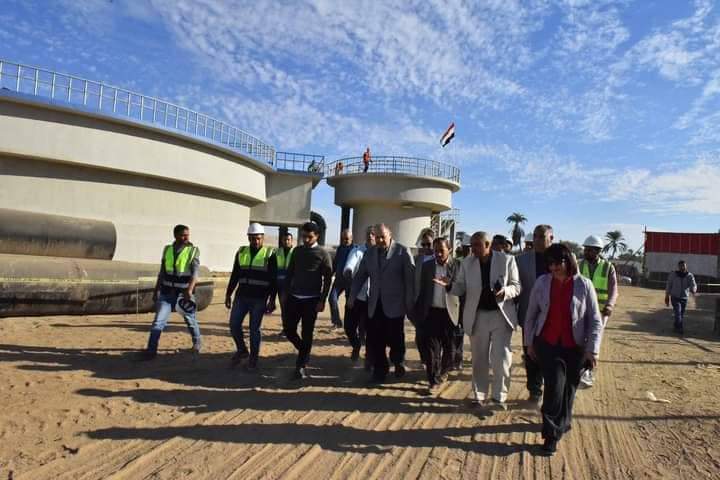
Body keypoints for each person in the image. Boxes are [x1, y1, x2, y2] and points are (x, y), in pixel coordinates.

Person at [524, 243, 604, 455]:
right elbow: (531, 315)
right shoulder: (542, 283)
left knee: (569, 390)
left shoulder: (584, 285)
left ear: (567, 261)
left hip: (575, 347)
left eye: (557, 263)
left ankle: (563, 421)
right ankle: (551, 436)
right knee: (554, 387)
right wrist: (529, 343)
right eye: (549, 264)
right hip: (548, 344)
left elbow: (595, 320)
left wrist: (592, 350)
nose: (553, 268)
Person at [443, 232, 521, 408]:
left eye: (477, 245)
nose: (473, 249)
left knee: (501, 359)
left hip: (501, 316)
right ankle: (479, 396)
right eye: (472, 245)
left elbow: (517, 287)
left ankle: (499, 397)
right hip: (477, 316)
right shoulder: (467, 263)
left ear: (488, 245)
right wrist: (449, 286)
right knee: (479, 359)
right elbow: (461, 287)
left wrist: (505, 292)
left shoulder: (507, 260)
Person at [349, 223, 415, 383]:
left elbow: (410, 281)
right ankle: (380, 370)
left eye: (382, 237)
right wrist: (352, 296)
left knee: (396, 338)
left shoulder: (402, 251)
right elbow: (360, 276)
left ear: (390, 235)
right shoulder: (370, 253)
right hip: (374, 304)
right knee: (375, 338)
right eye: (377, 237)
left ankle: (398, 361)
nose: (379, 240)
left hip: (395, 304)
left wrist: (409, 303)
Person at [141, 224, 201, 360]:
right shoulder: (167, 250)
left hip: (183, 294)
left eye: (187, 235)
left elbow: (195, 274)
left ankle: (197, 344)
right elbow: (162, 272)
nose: (186, 238)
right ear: (175, 235)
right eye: (183, 235)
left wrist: (189, 290)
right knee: (158, 322)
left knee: (190, 320)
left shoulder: (193, 251)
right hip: (167, 292)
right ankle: (151, 351)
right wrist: (156, 289)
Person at [284, 222, 333, 379]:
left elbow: (327, 279)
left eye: (309, 237)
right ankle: (304, 350)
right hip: (294, 297)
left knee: (307, 332)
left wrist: (322, 299)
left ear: (317, 236)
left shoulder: (323, 254)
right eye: (304, 236)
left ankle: (300, 366)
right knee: (288, 329)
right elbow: (290, 272)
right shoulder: (297, 251)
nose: (306, 239)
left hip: (311, 300)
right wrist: (285, 293)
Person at [225, 223, 277, 371]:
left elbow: (273, 280)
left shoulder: (270, 254)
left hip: (259, 298)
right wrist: (228, 294)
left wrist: (272, 299)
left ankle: (253, 357)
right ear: (248, 237)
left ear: (263, 238)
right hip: (241, 296)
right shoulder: (241, 252)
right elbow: (235, 275)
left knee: (255, 329)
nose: (255, 241)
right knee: (234, 325)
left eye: (258, 238)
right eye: (253, 238)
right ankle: (242, 350)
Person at [414, 237, 460, 394]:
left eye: (442, 250)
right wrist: (418, 312)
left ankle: (443, 371)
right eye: (436, 251)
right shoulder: (427, 266)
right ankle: (433, 379)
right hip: (432, 313)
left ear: (450, 250)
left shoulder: (458, 266)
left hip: (450, 313)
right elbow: (422, 290)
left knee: (450, 350)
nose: (438, 254)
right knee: (432, 349)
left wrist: (450, 285)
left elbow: (464, 290)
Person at [516, 224, 554, 405]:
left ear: (551, 238)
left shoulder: (560, 259)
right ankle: (534, 390)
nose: (537, 240)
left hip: (554, 317)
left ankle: (551, 389)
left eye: (542, 237)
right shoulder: (521, 260)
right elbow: (516, 285)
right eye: (536, 236)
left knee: (550, 354)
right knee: (530, 353)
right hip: (529, 315)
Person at [578, 235, 619, 388]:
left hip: (600, 311)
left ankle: (588, 372)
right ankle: (580, 368)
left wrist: (610, 305)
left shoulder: (608, 267)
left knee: (594, 340)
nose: (586, 252)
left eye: (589, 250)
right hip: (581, 310)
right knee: (580, 339)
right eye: (585, 249)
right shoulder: (578, 265)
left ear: (598, 251)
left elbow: (614, 290)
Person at [343, 226, 376, 364]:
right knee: (349, 327)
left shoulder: (381, 254)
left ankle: (369, 357)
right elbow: (350, 265)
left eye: (373, 234)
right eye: (368, 234)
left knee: (371, 330)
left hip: (373, 299)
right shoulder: (357, 251)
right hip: (356, 296)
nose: (370, 236)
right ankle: (356, 345)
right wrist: (348, 272)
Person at [328, 229, 355, 329]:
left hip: (350, 281)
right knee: (332, 298)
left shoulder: (355, 249)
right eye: (343, 238)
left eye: (346, 239)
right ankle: (337, 322)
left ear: (351, 238)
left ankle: (350, 324)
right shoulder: (340, 249)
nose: (344, 240)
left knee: (349, 304)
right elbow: (336, 262)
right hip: (338, 280)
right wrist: (331, 273)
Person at [665, 260, 697, 335]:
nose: (682, 267)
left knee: (681, 314)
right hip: (675, 297)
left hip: (684, 298)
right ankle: (680, 328)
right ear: (678, 267)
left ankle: (675, 326)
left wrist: (694, 290)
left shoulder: (689, 275)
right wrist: (667, 296)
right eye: (681, 266)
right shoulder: (673, 274)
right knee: (678, 312)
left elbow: (693, 284)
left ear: (686, 266)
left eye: (684, 266)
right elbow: (669, 285)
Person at [275, 231, 295, 326]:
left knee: (292, 308)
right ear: (282, 240)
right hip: (280, 285)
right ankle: (285, 328)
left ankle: (292, 328)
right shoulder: (277, 252)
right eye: (285, 240)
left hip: (292, 286)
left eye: (288, 240)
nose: (286, 241)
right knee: (283, 308)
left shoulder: (295, 252)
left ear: (292, 241)